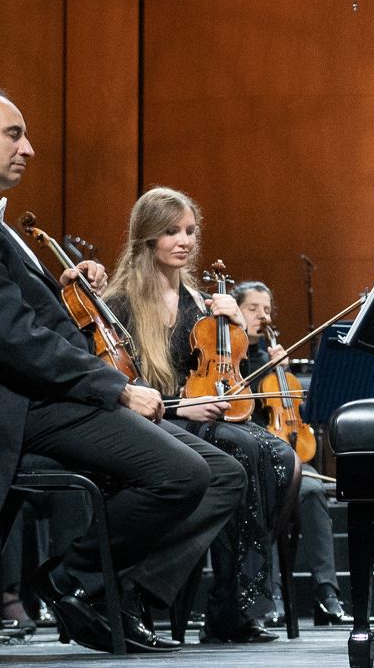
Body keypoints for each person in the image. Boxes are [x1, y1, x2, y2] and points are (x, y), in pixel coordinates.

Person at [0, 83, 246, 653]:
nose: (29, 148)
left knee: (225, 473)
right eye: (14, 135)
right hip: (22, 410)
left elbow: (29, 323)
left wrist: (69, 293)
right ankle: (74, 579)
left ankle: (108, 590)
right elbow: (18, 343)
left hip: (50, 397)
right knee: (184, 474)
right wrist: (118, 389)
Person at [104, 188, 300, 644]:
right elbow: (122, 388)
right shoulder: (121, 303)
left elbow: (230, 376)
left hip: (205, 418)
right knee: (243, 448)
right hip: (159, 419)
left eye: (190, 231)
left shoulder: (201, 301)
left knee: (282, 457)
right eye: (172, 231)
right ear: (147, 237)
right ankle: (228, 607)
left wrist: (238, 328)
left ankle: (237, 600)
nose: (185, 241)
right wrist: (182, 404)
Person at [232, 280, 345, 623]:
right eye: (253, 308)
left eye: (267, 309)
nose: (262, 316)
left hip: (285, 456)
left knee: (312, 489)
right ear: (236, 310)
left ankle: (326, 593)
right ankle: (270, 593)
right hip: (249, 457)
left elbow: (292, 410)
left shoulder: (272, 359)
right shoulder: (229, 355)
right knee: (269, 493)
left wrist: (282, 372)